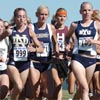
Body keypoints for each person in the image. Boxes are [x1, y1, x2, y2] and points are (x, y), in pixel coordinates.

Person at [0, 8, 43, 100]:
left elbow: (41, 48)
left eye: (24, 17)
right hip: (13, 63)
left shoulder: (30, 32)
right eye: (19, 17)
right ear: (15, 18)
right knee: (19, 86)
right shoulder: (10, 31)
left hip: (25, 64)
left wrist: (34, 49)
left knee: (20, 90)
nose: (22, 19)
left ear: (26, 18)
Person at [66, 2, 100, 100]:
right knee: (85, 88)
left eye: (89, 10)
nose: (86, 12)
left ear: (92, 11)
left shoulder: (97, 25)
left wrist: (94, 41)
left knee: (82, 89)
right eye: (84, 10)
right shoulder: (74, 25)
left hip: (91, 60)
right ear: (80, 11)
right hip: (78, 58)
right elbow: (67, 36)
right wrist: (67, 44)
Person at [27, 5, 59, 100]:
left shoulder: (51, 28)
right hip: (34, 62)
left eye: (45, 14)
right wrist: (33, 45)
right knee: (36, 93)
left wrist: (56, 52)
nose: (43, 17)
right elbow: (26, 42)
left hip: (47, 63)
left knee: (49, 94)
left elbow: (55, 42)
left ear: (48, 16)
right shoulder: (31, 27)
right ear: (37, 14)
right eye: (41, 14)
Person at [51, 8, 69, 100]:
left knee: (59, 85)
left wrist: (69, 47)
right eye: (60, 16)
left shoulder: (68, 29)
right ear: (56, 17)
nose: (62, 18)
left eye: (64, 16)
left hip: (64, 60)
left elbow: (73, 43)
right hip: (53, 60)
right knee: (57, 83)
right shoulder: (51, 28)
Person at [89, 9, 100, 100]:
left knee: (98, 88)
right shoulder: (90, 33)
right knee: (96, 87)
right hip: (92, 61)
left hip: (99, 62)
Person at [0, 19, 9, 100]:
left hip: (3, 69)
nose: (0, 28)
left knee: (4, 90)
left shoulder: (6, 39)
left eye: (2, 26)